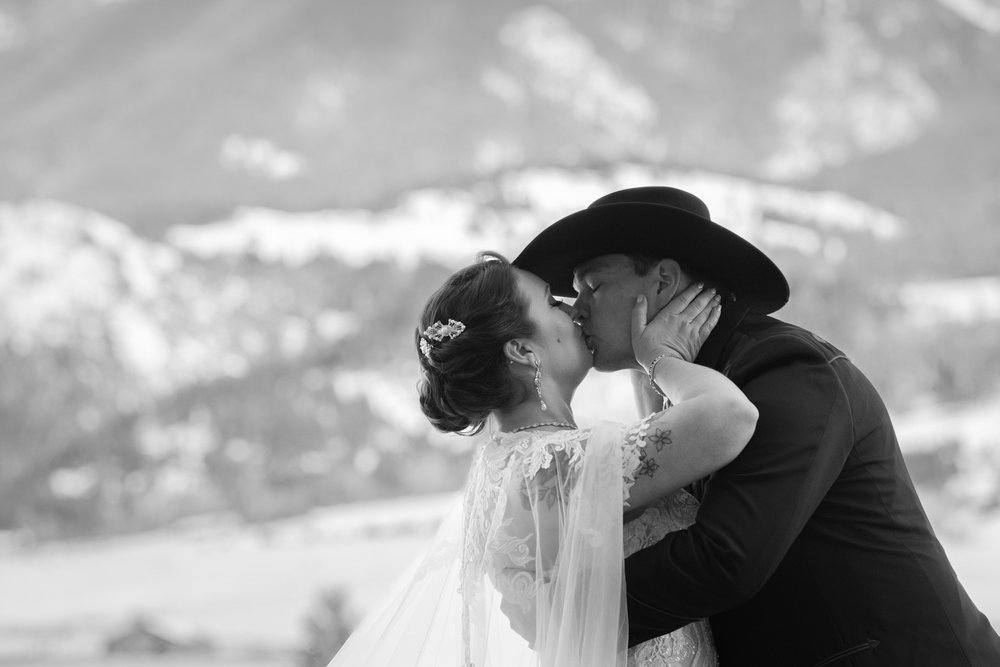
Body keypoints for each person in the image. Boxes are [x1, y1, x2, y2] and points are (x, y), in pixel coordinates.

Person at [512, 185, 1000, 666]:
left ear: (662, 281)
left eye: (593, 287)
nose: (576, 309)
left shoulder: (788, 369)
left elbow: (727, 557)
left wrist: (565, 613)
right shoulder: (691, 387)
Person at [327, 252, 759, 666]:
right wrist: (660, 357)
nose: (574, 311)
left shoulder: (515, 463)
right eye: (553, 302)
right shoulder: (549, 467)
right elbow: (730, 418)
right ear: (522, 351)